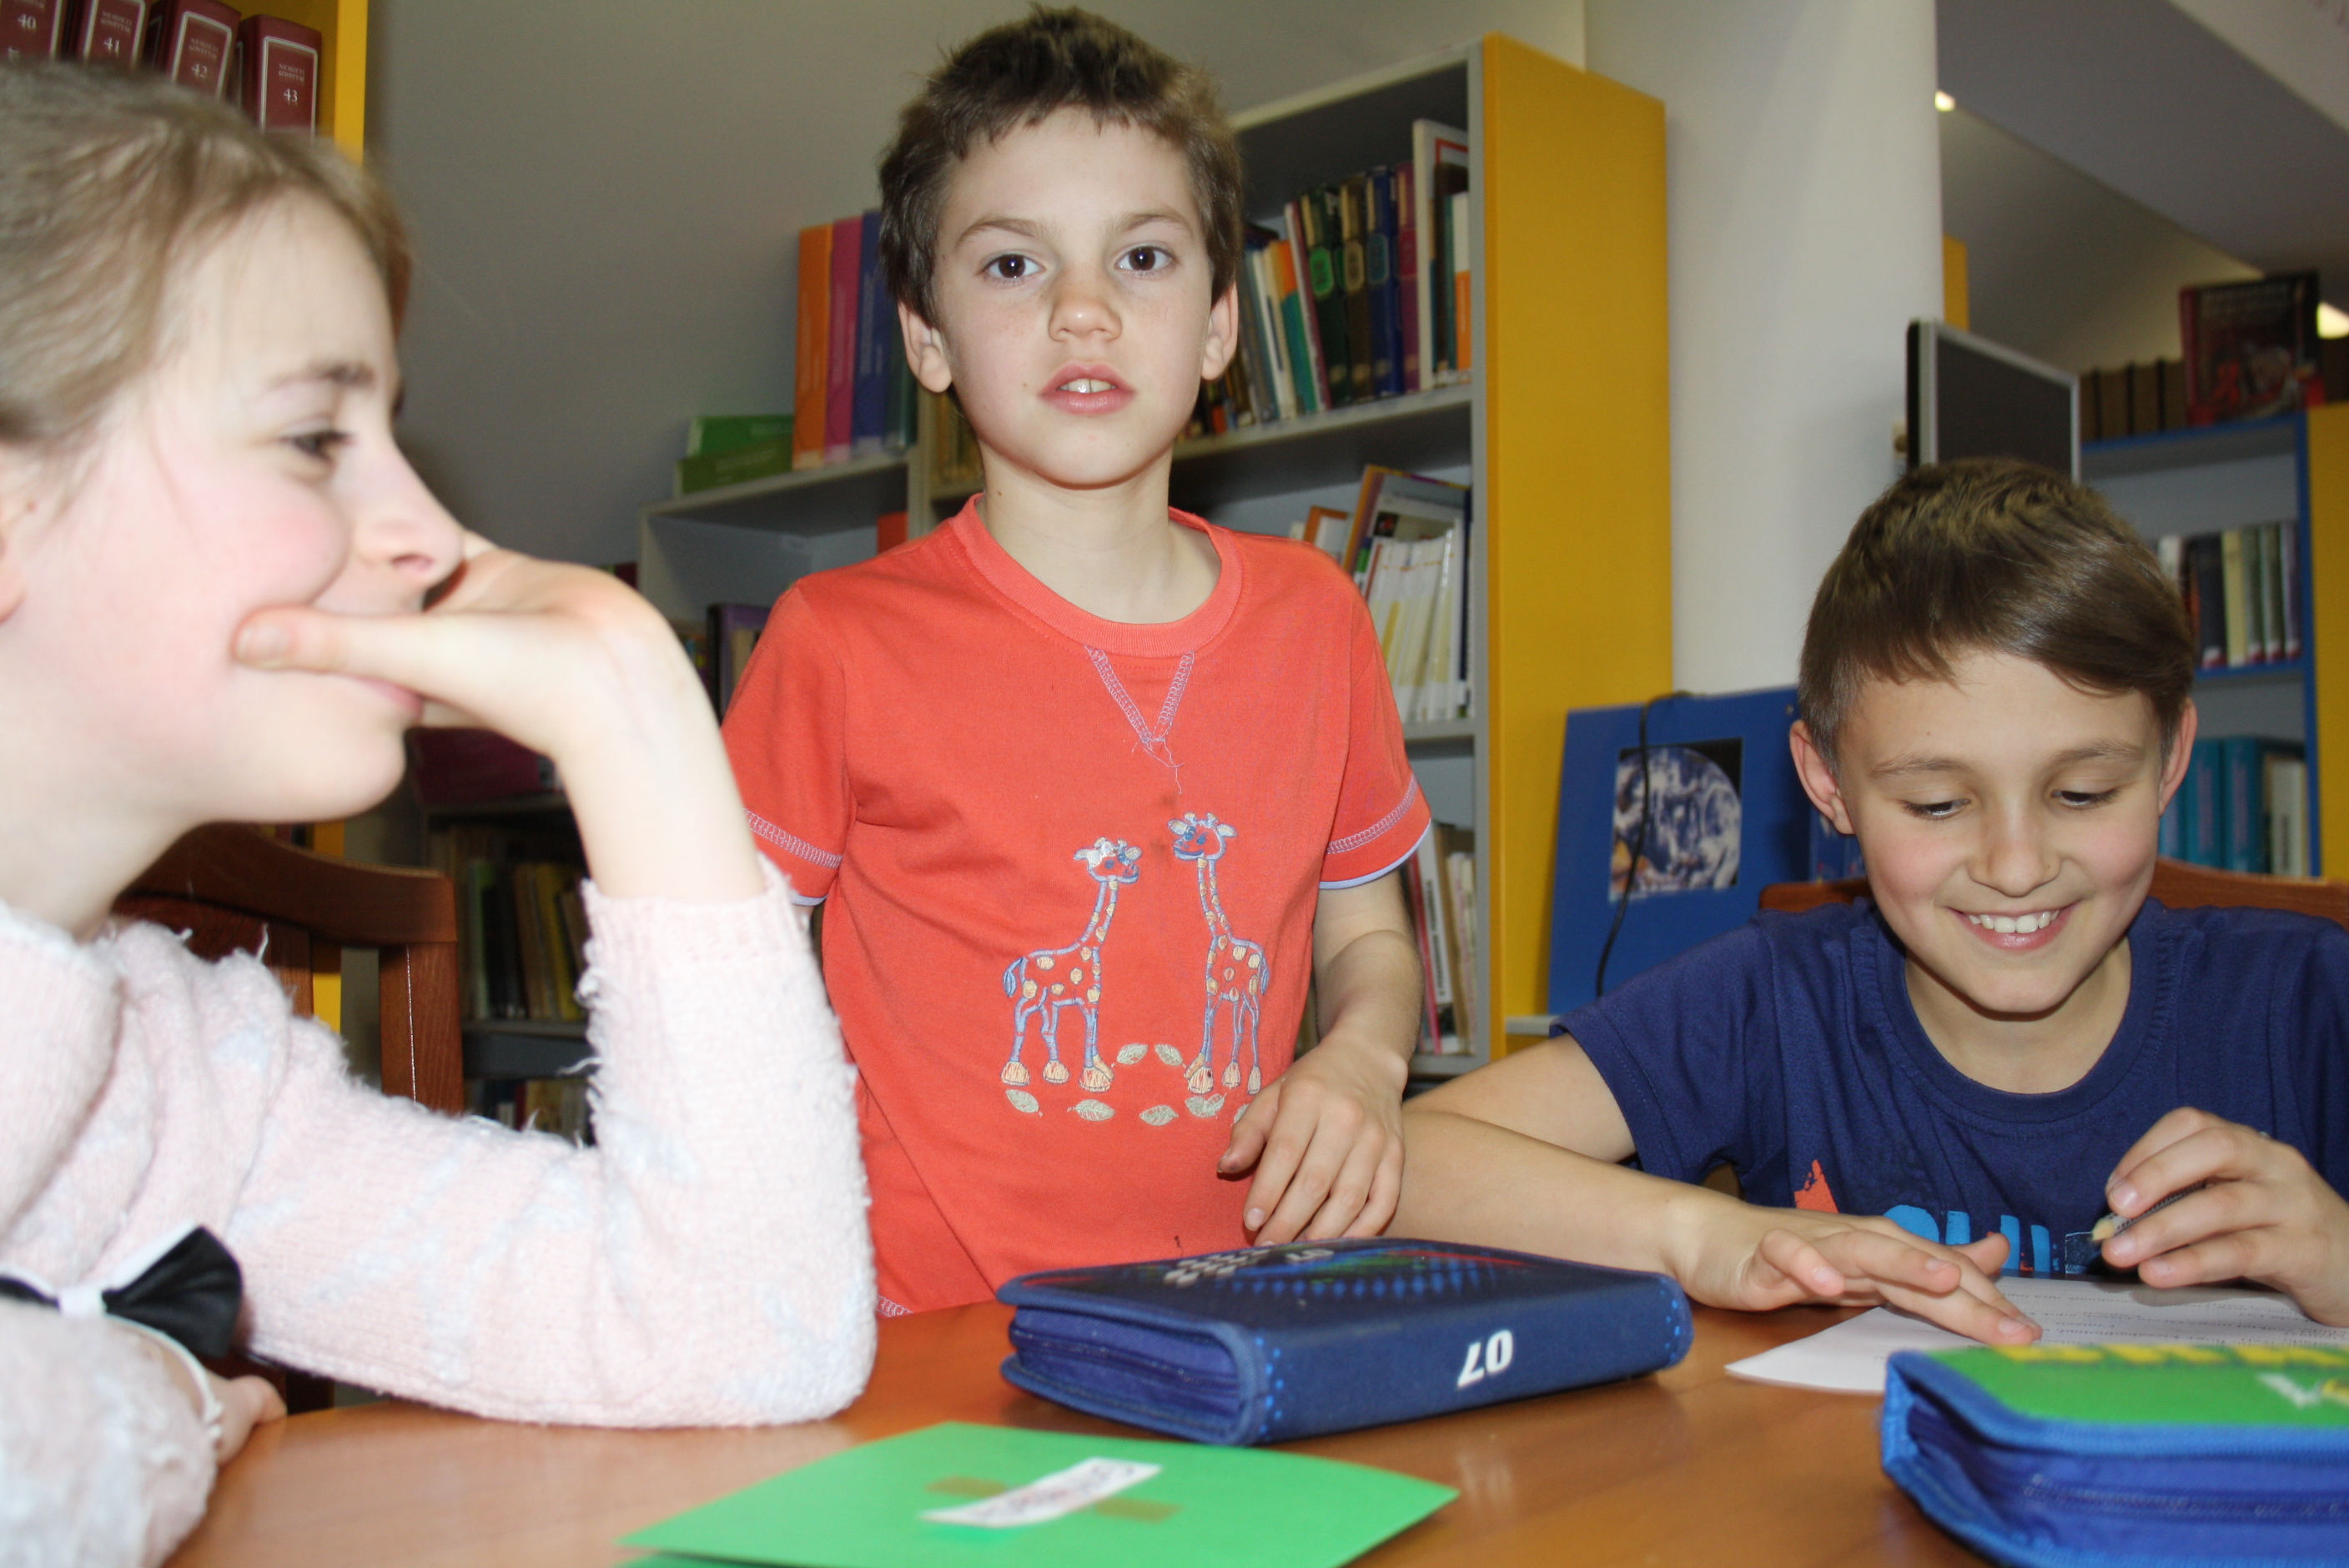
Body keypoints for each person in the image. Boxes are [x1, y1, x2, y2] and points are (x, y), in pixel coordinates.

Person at [0, 63, 873, 1565]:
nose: (422, 534)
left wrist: (636, 715)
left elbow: (750, 1331)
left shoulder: (182, 1084)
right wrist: (152, 1388)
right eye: (312, 439)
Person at [722, 9, 1429, 1314]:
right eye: (1012, 265)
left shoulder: (1319, 618)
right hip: (924, 1330)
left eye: (1142, 257)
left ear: (1219, 323)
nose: (1083, 310)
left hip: (1236, 1306)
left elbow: (1369, 934)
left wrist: (1365, 1063)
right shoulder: (835, 639)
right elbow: (716, 987)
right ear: (926, 338)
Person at [1396, 458, 2349, 1341]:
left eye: (2081, 792)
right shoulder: (1773, 998)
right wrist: (1703, 1233)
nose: (2015, 865)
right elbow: (1406, 1162)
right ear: (1827, 784)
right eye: (1936, 803)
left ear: (2169, 759)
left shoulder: (2305, 1002)